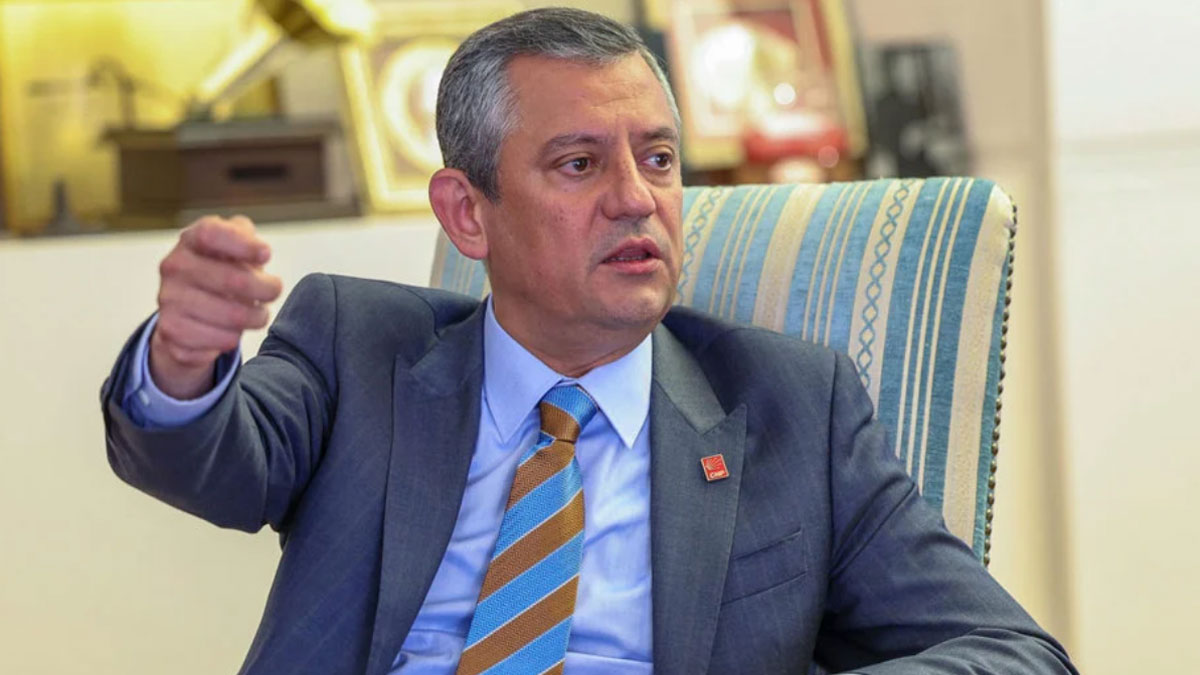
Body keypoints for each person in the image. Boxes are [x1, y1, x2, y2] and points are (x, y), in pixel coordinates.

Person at [100, 8, 1075, 675]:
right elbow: (215, 465)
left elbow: (1016, 654)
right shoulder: (359, 349)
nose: (636, 198)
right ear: (467, 213)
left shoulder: (791, 408)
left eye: (659, 158)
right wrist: (182, 363)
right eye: (579, 164)